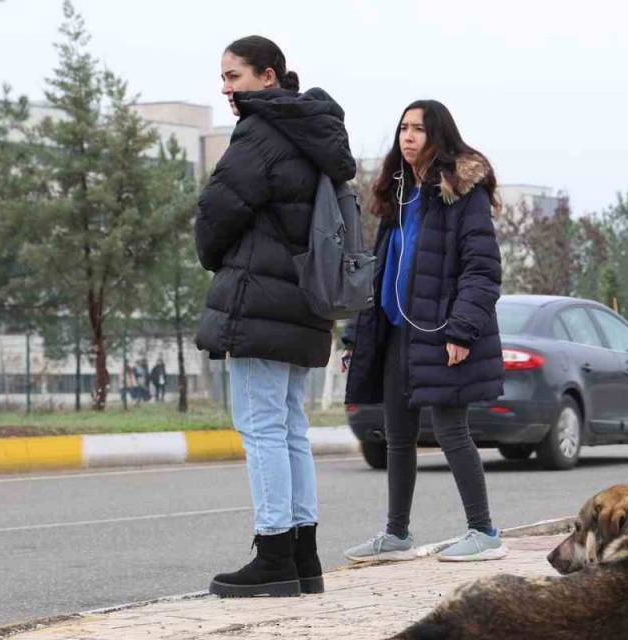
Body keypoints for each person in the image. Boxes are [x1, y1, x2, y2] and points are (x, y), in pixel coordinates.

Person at [194, 35, 355, 597]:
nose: (225, 88)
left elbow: (217, 207)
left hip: (261, 300)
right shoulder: (318, 132)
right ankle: (303, 557)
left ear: (268, 76)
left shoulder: (262, 131)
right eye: (223, 77)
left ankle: (273, 555)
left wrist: (215, 257)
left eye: (233, 76)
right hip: (306, 301)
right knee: (289, 429)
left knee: (262, 429)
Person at [342, 100, 506, 563]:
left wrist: (462, 331)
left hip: (442, 330)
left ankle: (484, 531)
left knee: (452, 430)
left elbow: (482, 269)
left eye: (418, 129)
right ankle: (396, 535)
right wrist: (356, 336)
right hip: (396, 330)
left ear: (439, 136)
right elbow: (377, 272)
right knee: (397, 436)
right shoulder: (397, 193)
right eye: (403, 128)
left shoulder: (460, 191)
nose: (408, 136)